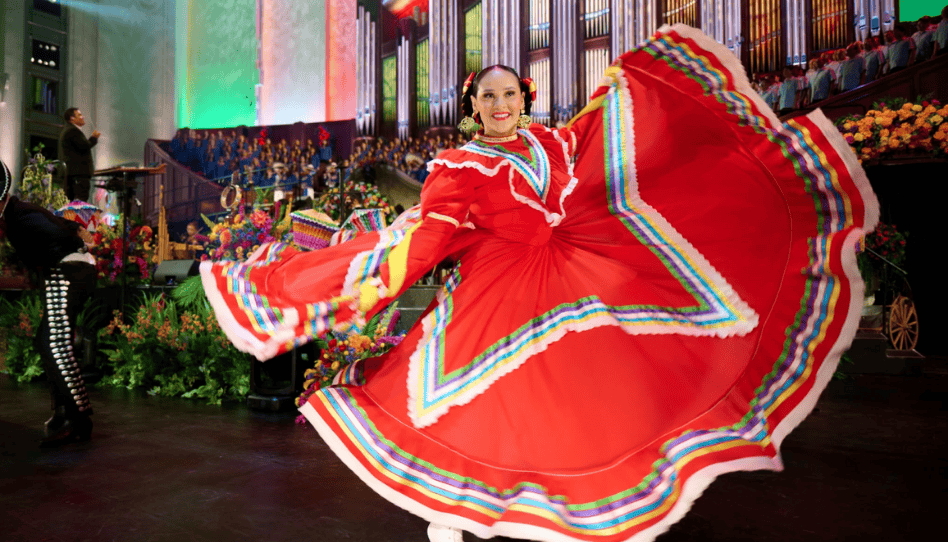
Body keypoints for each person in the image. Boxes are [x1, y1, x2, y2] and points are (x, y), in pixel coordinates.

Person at [200, 25, 876, 542]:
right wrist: (367, 289)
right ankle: (449, 508)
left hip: (572, 273)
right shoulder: (459, 168)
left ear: (525, 98)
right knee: (478, 405)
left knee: (582, 394)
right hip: (496, 292)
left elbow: (601, 144)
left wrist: (623, 89)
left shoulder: (552, 144)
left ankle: (592, 494)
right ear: (472, 106)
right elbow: (428, 237)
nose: (500, 103)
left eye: (509, 93)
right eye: (487, 95)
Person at [0, 159, 97, 445]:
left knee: (54, 344)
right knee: (47, 341)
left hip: (68, 270)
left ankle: (77, 418)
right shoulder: (17, 214)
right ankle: (65, 412)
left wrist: (77, 242)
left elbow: (62, 235)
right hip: (69, 270)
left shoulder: (20, 216)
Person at [58, 108, 101, 203]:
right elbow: (84, 146)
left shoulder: (68, 130)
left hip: (72, 175)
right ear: (72, 118)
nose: (83, 117)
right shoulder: (73, 131)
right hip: (78, 175)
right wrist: (94, 138)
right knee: (79, 204)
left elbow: (81, 146)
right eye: (80, 115)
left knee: (72, 204)